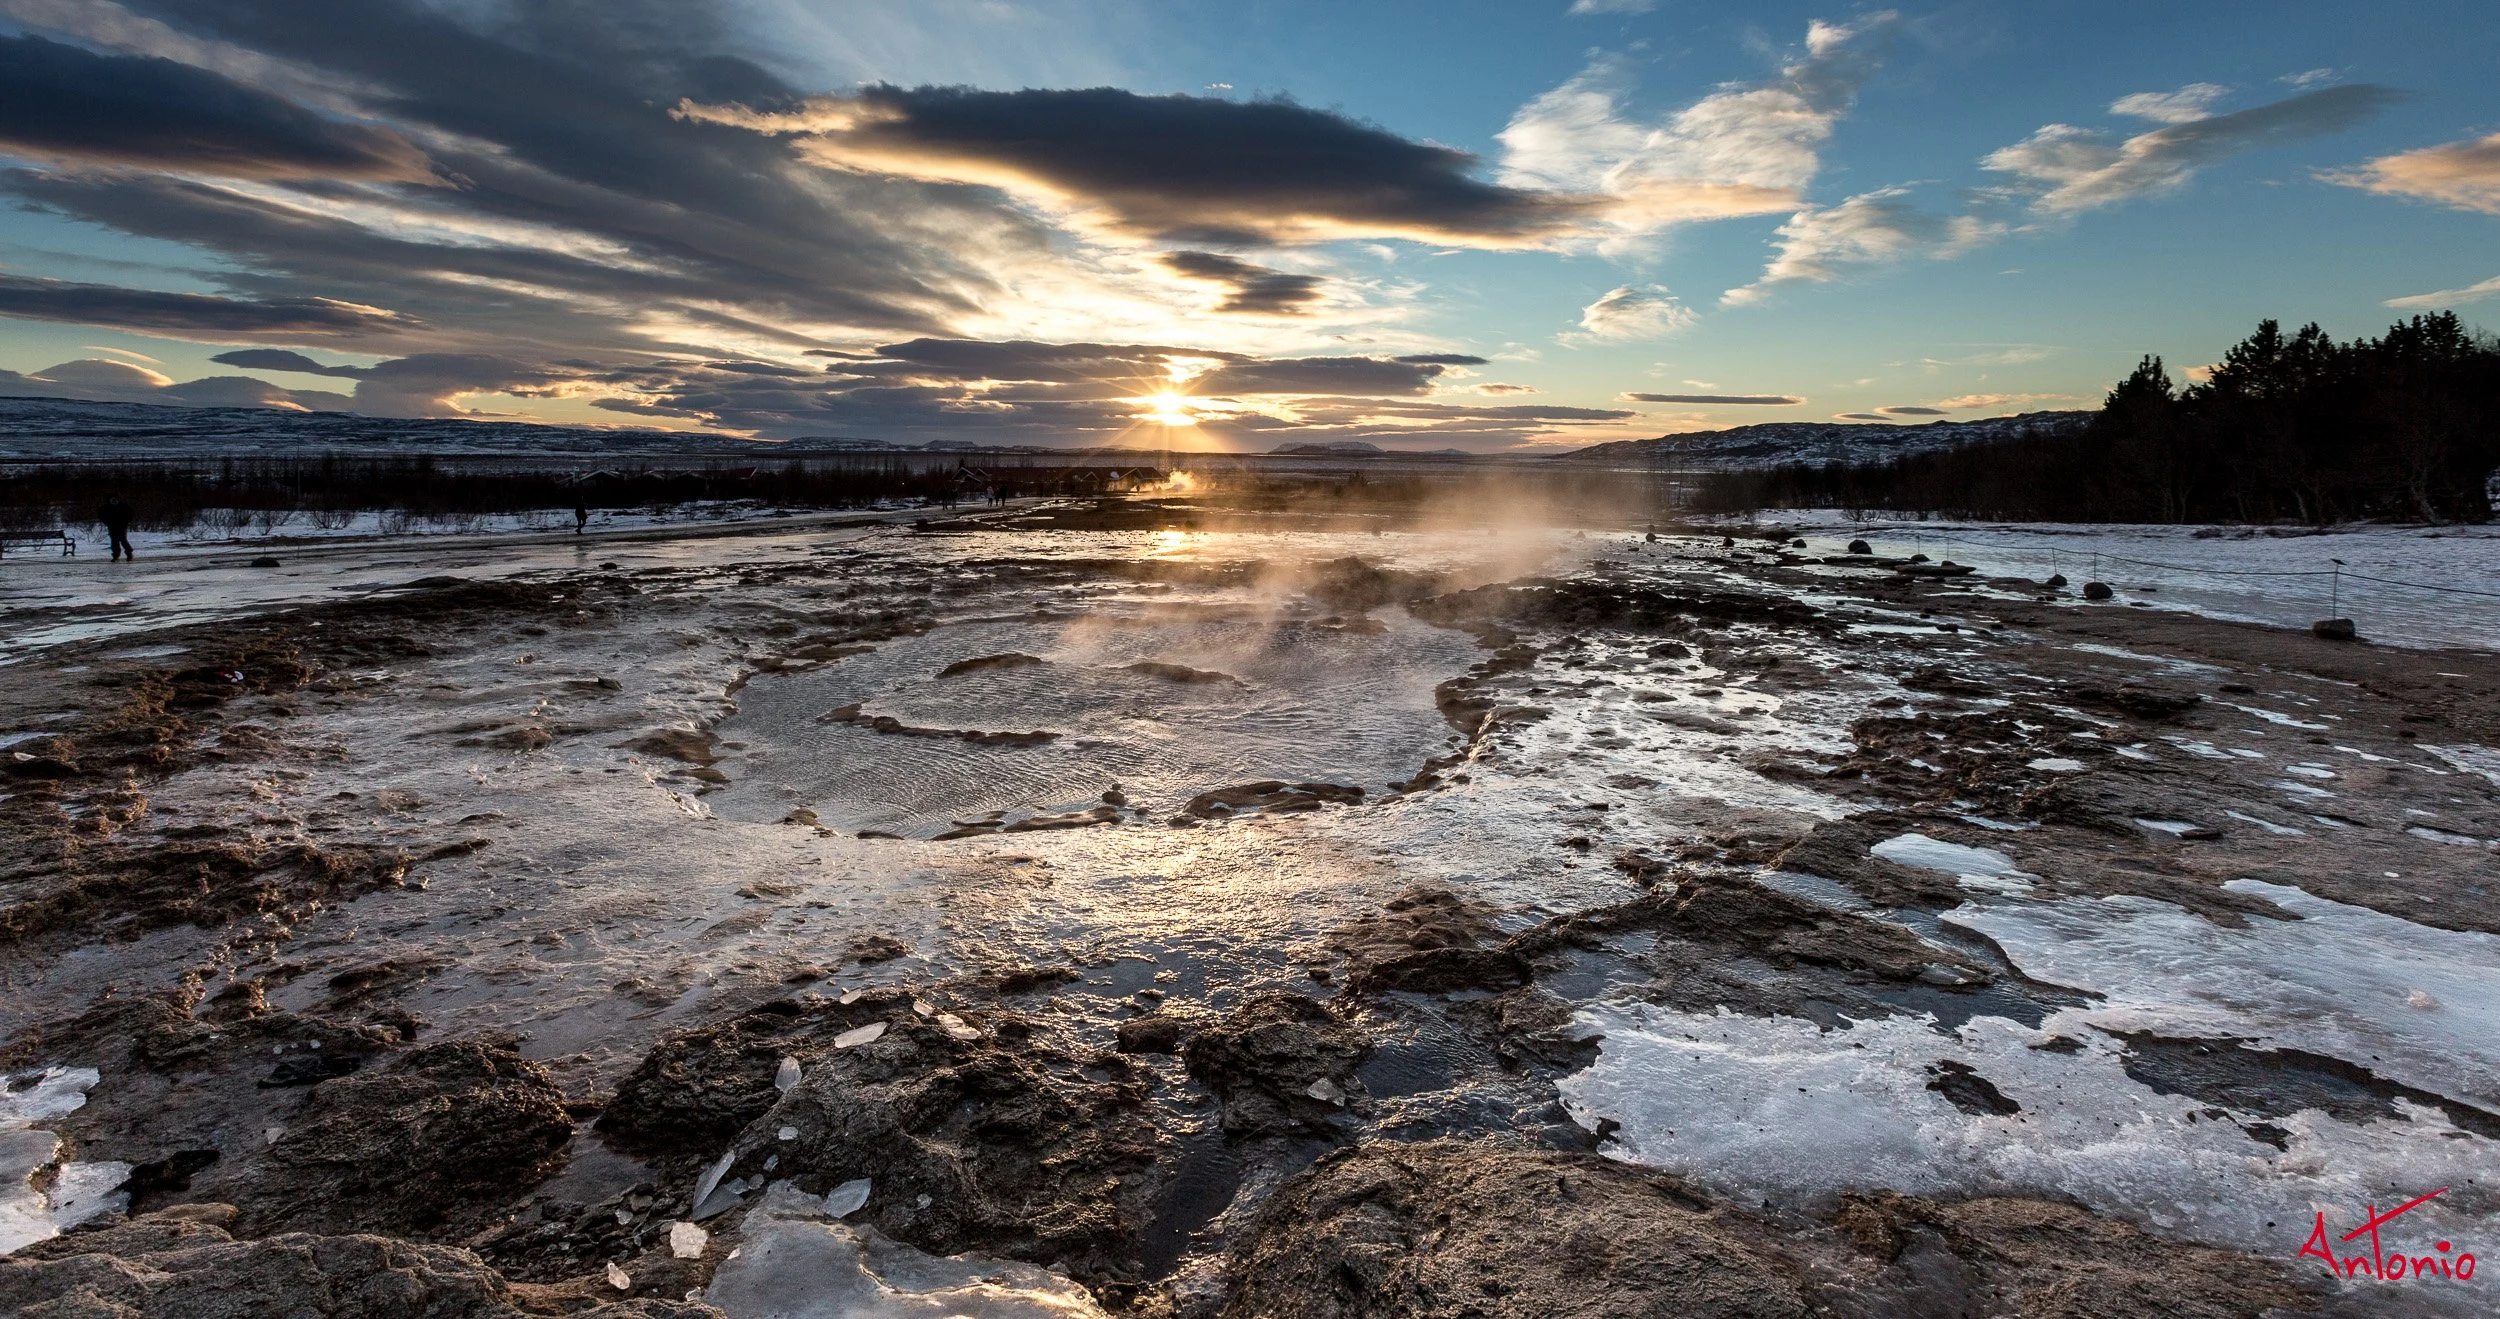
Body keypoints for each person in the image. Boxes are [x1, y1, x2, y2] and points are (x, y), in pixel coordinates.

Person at [99, 495, 135, 561]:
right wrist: (107, 522)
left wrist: (126, 521)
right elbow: (101, 515)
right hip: (112, 526)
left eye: (115, 500)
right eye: (112, 500)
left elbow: (131, 514)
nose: (114, 501)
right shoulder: (106, 507)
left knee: (123, 539)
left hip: (122, 526)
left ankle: (129, 553)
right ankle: (116, 555)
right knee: (114, 541)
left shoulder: (124, 506)